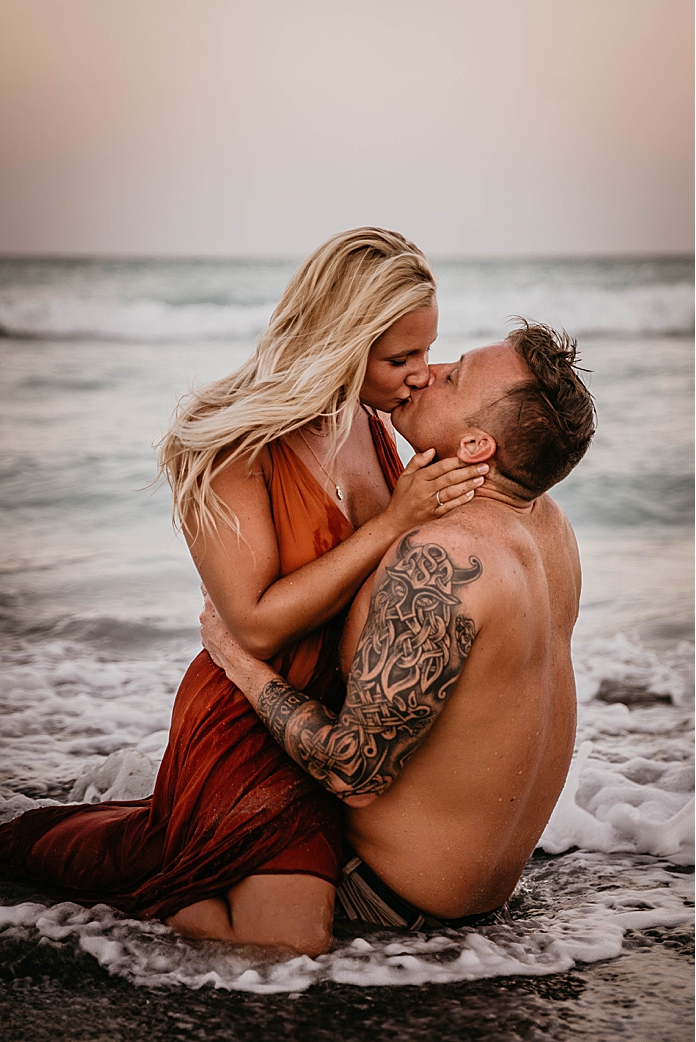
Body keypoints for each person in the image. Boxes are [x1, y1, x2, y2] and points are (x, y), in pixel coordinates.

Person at [0, 228, 483, 954]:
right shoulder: (234, 441)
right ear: (340, 341)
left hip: (334, 730)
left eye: (426, 352)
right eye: (399, 359)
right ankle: (99, 881)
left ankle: (149, 847)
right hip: (250, 720)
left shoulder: (369, 422)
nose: (420, 375)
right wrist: (393, 524)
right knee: (288, 942)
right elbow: (254, 626)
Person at [197, 322, 595, 939]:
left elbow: (353, 773)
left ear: (475, 446)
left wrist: (241, 663)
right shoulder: (549, 527)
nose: (428, 373)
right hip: (483, 907)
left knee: (129, 885)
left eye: (452, 377)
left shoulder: (444, 559)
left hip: (385, 907)